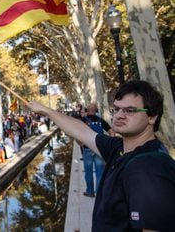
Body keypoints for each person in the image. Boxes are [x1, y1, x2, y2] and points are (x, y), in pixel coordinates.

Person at [27, 80, 175, 231]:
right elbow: (82, 132)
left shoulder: (149, 167)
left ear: (152, 117)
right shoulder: (119, 147)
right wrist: (46, 111)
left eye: (130, 110)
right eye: (116, 109)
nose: (119, 115)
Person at [80, 103, 114, 198]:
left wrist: (80, 143)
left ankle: (90, 192)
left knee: (88, 172)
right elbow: (111, 132)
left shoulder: (83, 120)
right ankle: (99, 194)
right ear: (96, 110)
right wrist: (110, 143)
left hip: (87, 148)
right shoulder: (100, 120)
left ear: (87, 110)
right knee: (100, 172)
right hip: (99, 148)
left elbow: (77, 133)